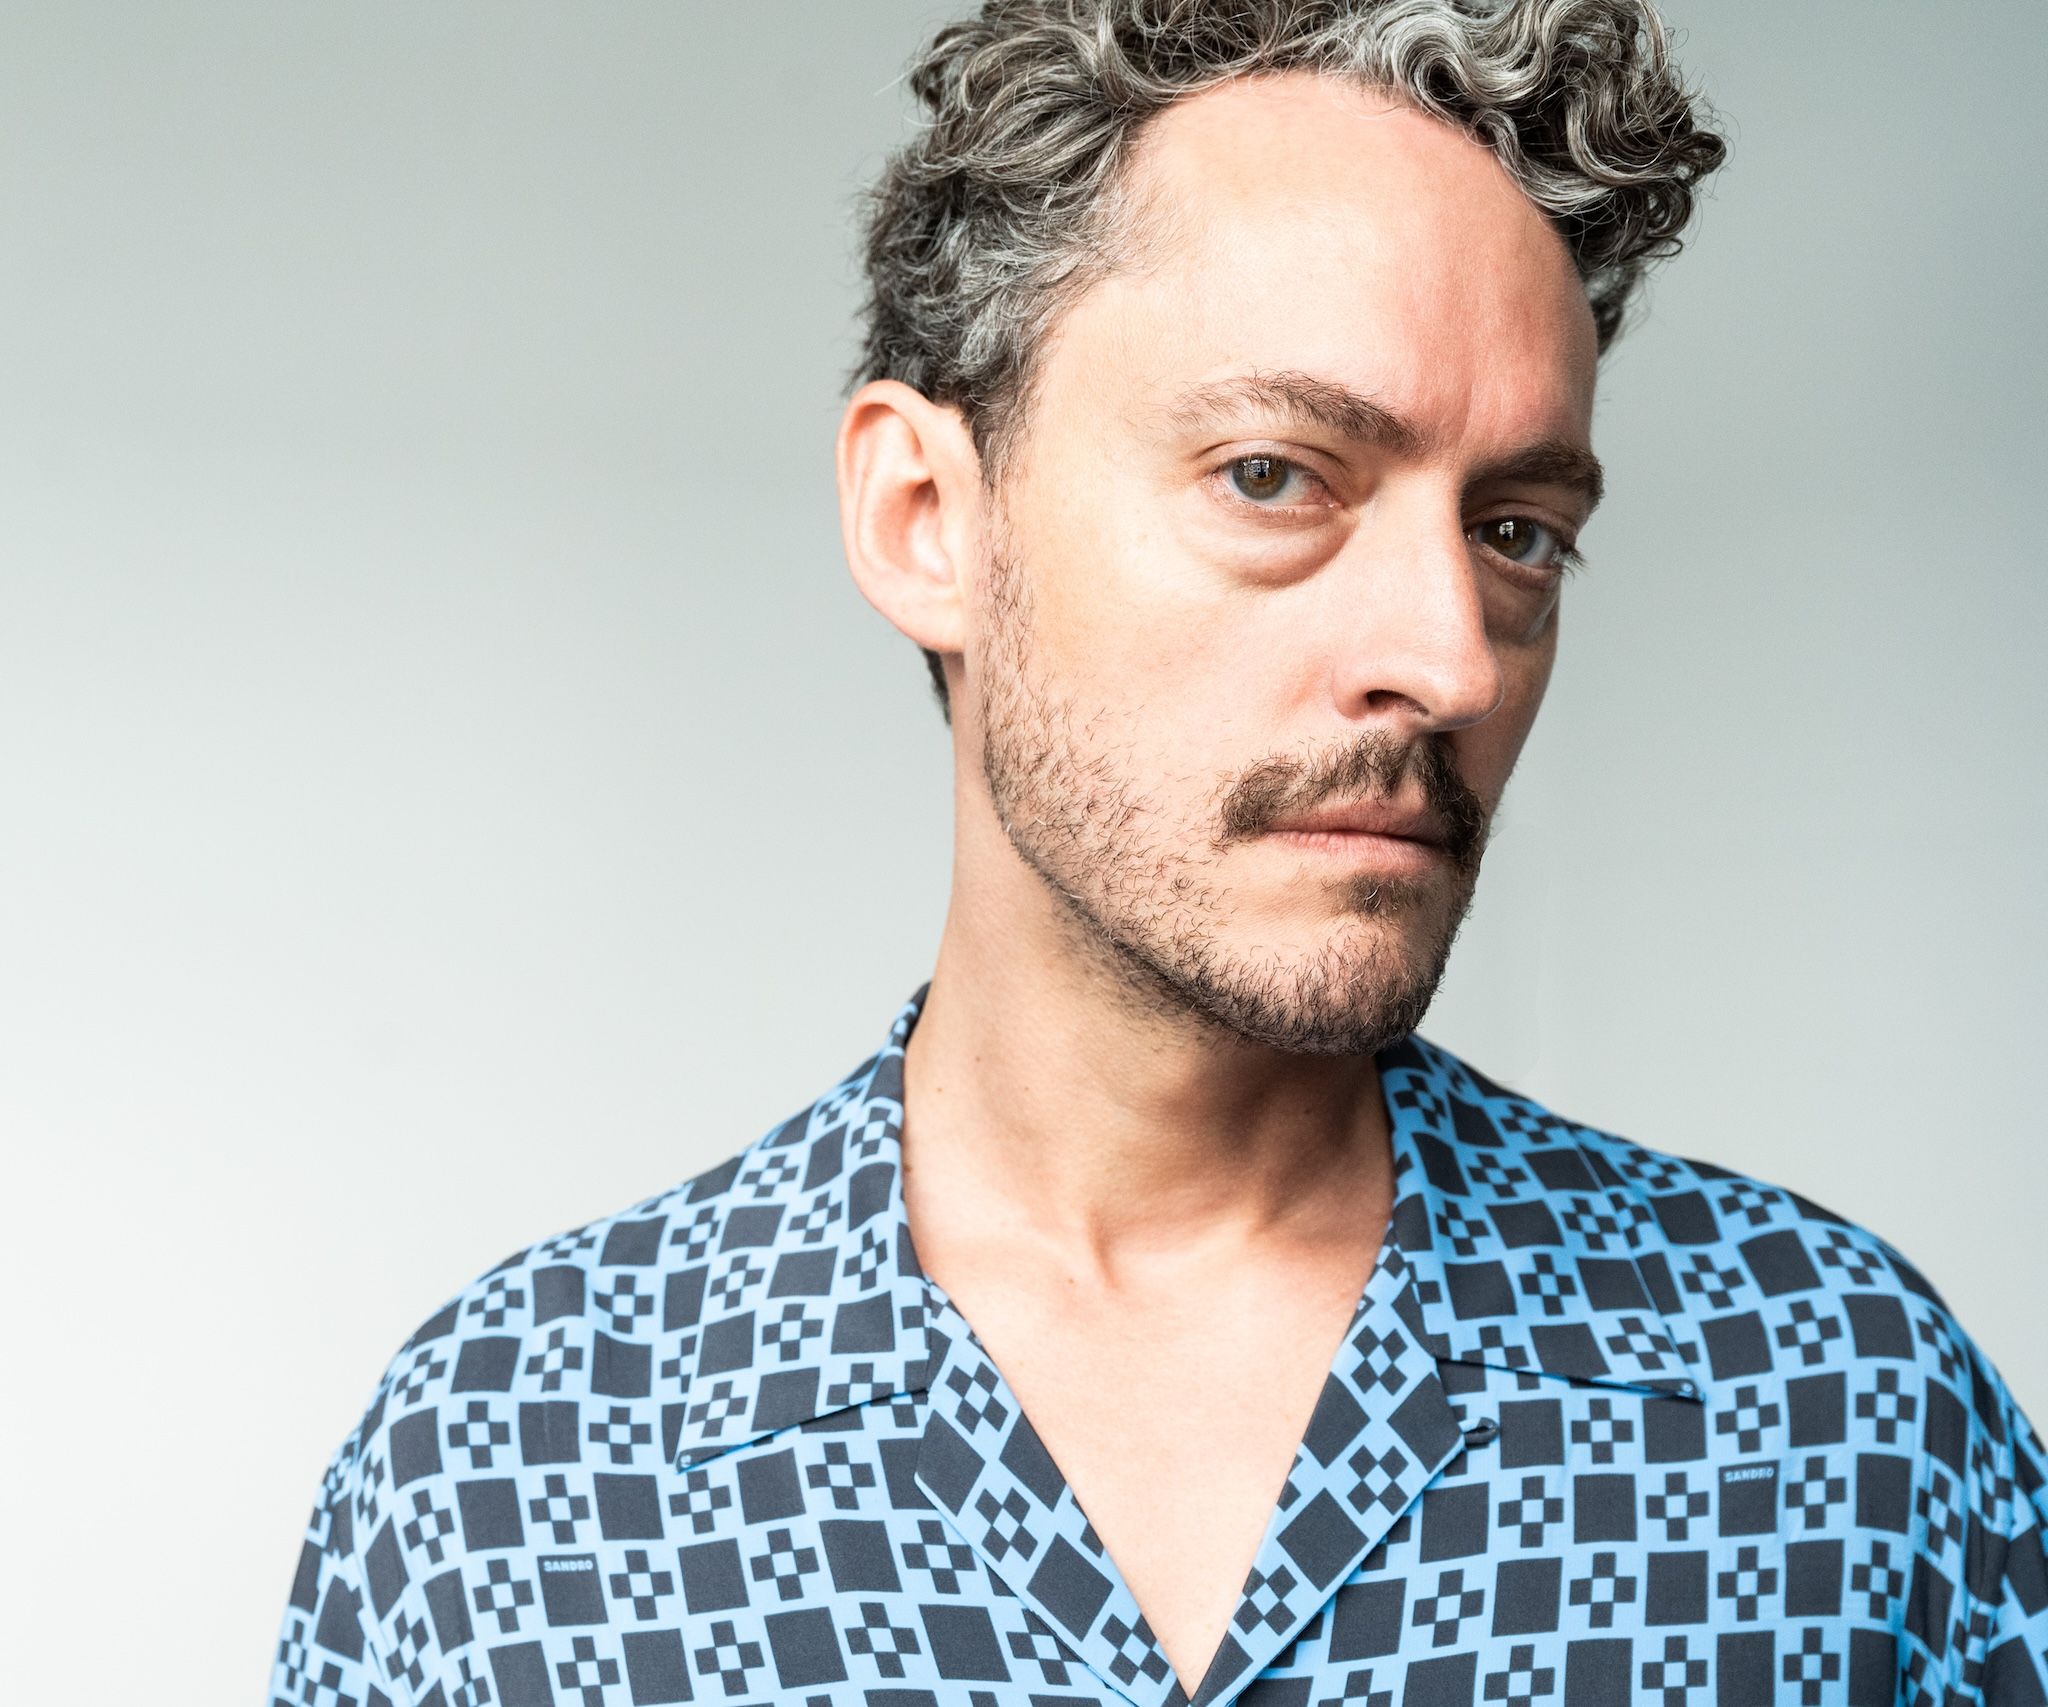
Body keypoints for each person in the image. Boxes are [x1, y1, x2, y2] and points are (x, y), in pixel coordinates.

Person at [268, 3, 2048, 1703]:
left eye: (1515, 531)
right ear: (926, 520)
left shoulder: (1841, 1417)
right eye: (1275, 476)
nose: (1447, 657)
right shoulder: (505, 1479)